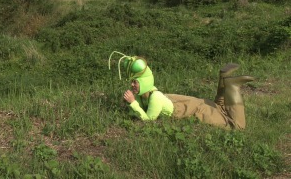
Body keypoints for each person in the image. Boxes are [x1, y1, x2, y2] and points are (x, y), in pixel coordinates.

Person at [108, 52, 254, 129]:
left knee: (236, 126)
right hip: (187, 104)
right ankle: (224, 78)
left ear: (144, 82)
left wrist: (133, 103)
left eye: (136, 82)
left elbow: (148, 120)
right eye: (132, 82)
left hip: (194, 109)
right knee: (219, 107)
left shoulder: (155, 97)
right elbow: (136, 110)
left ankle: (233, 87)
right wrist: (131, 103)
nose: (132, 85)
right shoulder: (145, 94)